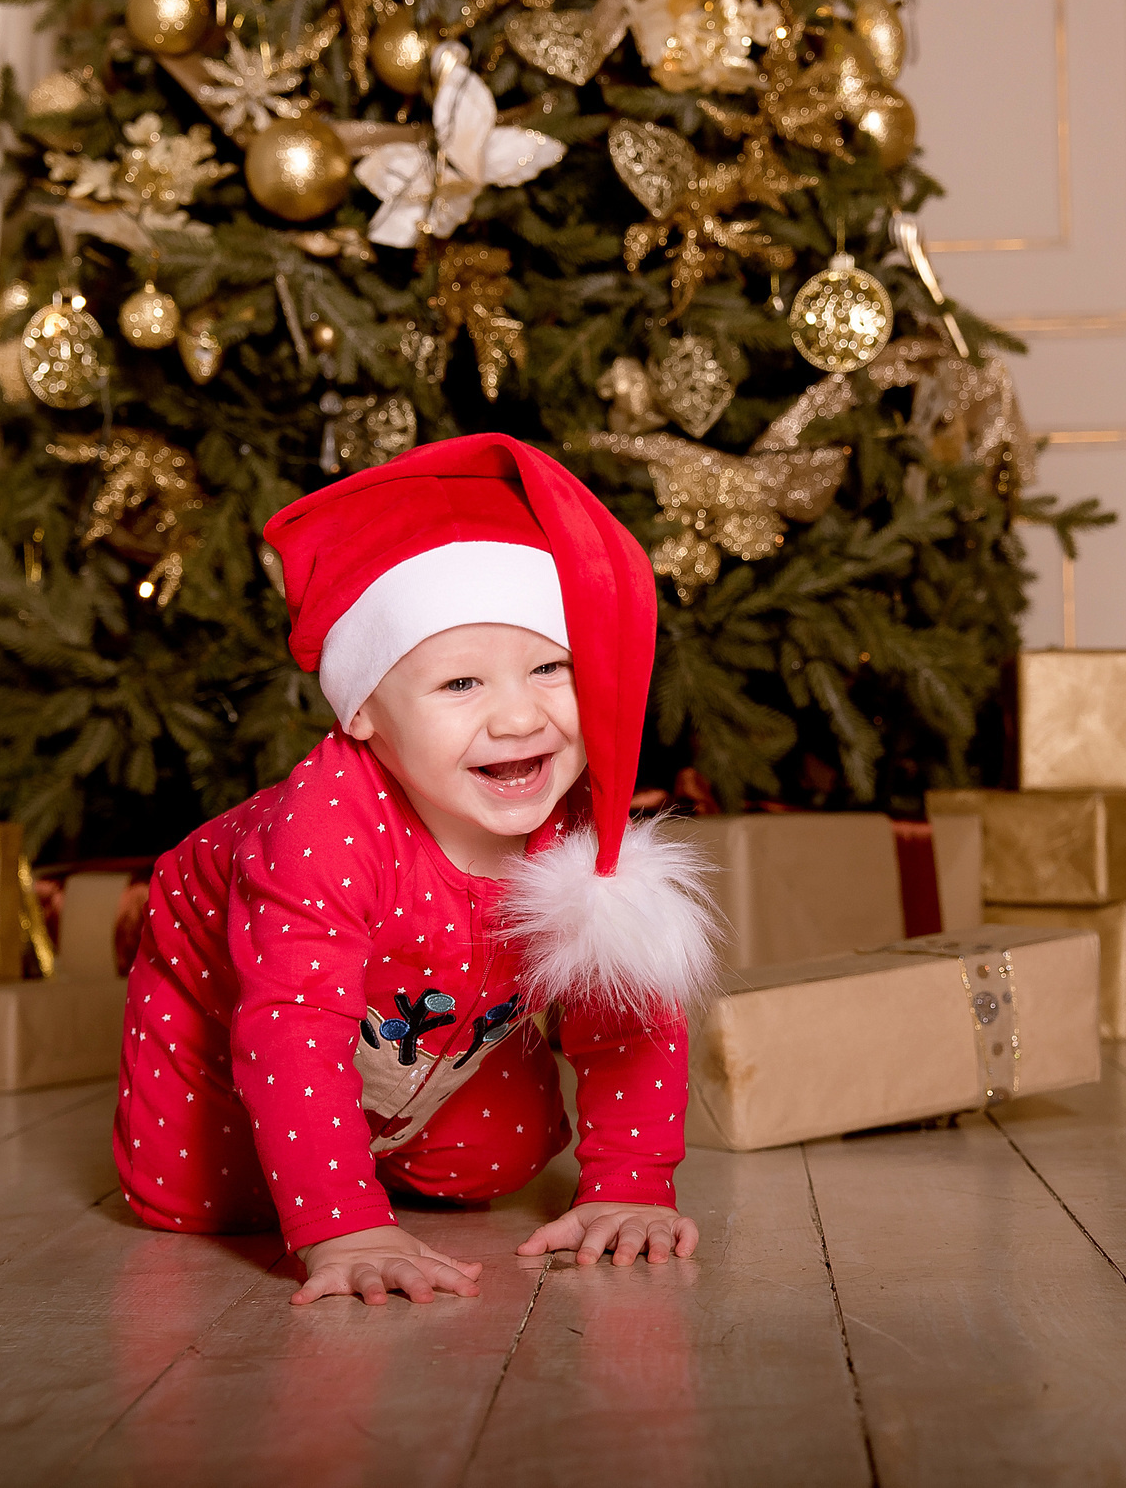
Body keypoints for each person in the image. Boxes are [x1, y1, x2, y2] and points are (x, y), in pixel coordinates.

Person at [111, 434, 720, 1307]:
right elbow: (289, 1024)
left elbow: (629, 1012)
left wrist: (630, 1182)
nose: (519, 716)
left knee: (503, 1156)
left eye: (551, 667)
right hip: (231, 995)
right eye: (461, 684)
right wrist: (342, 1225)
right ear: (365, 712)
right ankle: (336, 1163)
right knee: (195, 1196)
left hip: (428, 1024)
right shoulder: (324, 828)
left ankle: (367, 1146)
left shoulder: (581, 821)